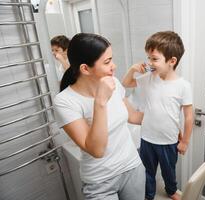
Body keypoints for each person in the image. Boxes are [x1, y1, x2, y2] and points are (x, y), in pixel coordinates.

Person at [54, 33, 145, 200]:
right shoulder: (65, 101)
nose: (114, 66)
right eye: (107, 62)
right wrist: (100, 102)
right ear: (85, 69)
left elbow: (133, 116)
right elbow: (96, 150)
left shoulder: (115, 83)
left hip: (132, 167)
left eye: (112, 59)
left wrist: (167, 118)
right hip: (100, 181)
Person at [122, 31, 194, 200]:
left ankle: (171, 190)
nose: (149, 63)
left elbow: (189, 116)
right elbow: (126, 83)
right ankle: (148, 195)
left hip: (169, 140)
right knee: (147, 171)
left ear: (172, 61)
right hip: (147, 137)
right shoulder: (149, 78)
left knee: (169, 170)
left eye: (154, 59)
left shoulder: (183, 86)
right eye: (148, 58)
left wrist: (184, 141)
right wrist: (133, 69)